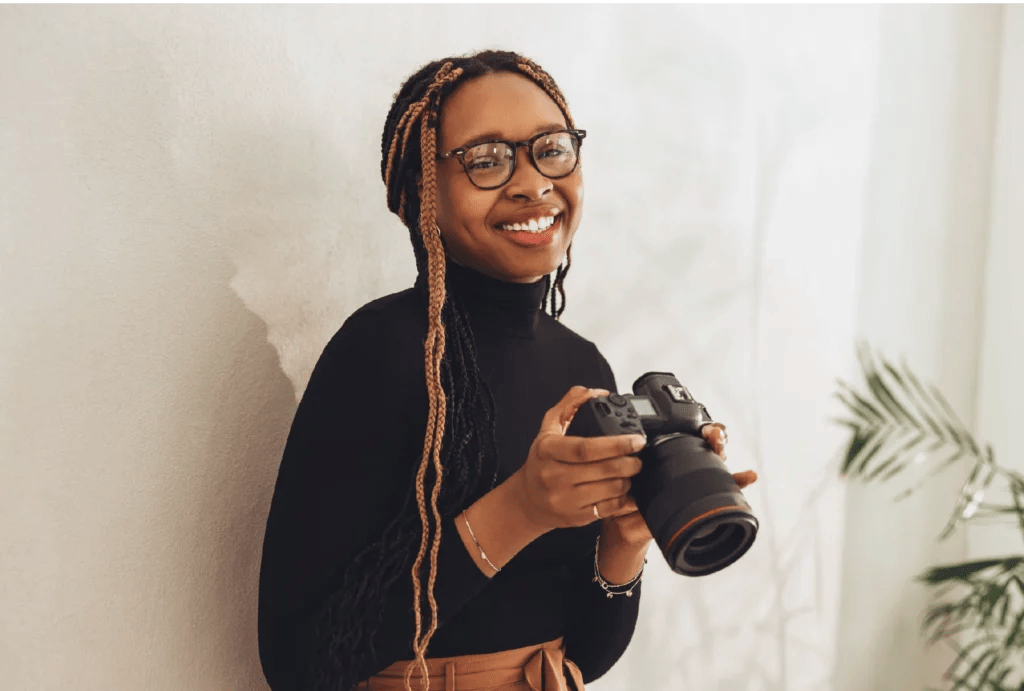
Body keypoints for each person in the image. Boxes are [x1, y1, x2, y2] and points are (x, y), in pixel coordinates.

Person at [257, 49, 756, 691]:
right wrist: (521, 509)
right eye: (486, 160)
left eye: (551, 148)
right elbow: (299, 664)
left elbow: (587, 654)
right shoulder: (377, 353)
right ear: (417, 193)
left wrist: (624, 543)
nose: (532, 182)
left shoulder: (581, 363)